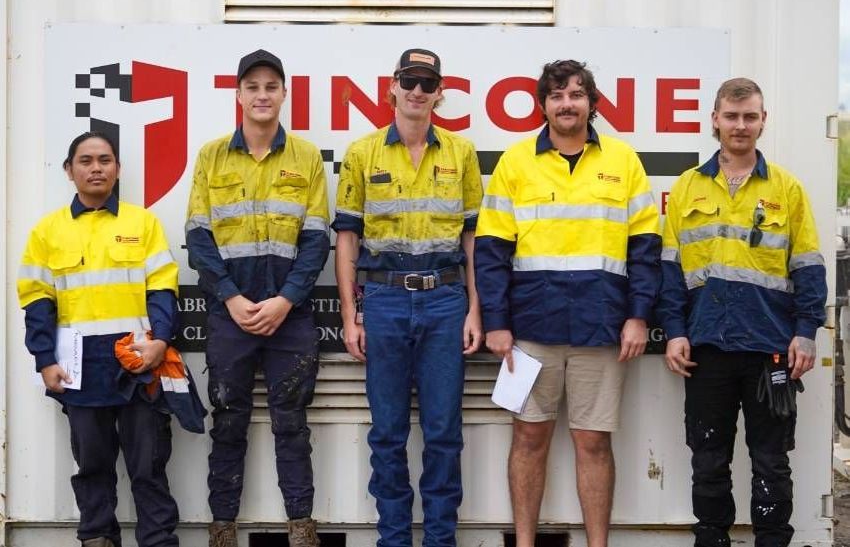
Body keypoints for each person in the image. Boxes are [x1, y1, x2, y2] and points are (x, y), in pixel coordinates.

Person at [474, 60, 661, 547]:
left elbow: (644, 251)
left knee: (594, 443)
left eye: (577, 94)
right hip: (531, 330)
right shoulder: (516, 163)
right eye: (557, 95)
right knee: (529, 440)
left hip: (602, 326)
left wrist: (638, 316)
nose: (567, 103)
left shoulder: (624, 162)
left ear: (592, 103)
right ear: (543, 105)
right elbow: (492, 252)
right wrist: (496, 323)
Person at [658, 77, 827, 547]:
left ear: (763, 121)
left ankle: (772, 540)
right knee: (708, 458)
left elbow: (809, 267)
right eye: (731, 116)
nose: (740, 125)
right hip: (706, 347)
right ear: (714, 120)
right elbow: (670, 271)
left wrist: (806, 332)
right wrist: (674, 331)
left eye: (750, 116)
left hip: (771, 349)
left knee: (772, 460)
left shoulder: (786, 189)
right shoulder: (688, 187)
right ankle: (712, 539)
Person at [332, 48, 483, 547]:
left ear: (440, 93)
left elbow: (471, 241)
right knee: (388, 434)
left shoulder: (460, 154)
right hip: (384, 301)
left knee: (443, 434)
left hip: (445, 302)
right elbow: (348, 238)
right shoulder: (362, 153)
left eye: (428, 82)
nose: (418, 91)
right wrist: (350, 317)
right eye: (409, 81)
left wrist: (475, 309)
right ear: (392, 88)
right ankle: (393, 539)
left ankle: (441, 540)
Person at [185, 49, 330, 547]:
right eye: (253, 87)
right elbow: (198, 238)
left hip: (290, 315)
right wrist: (230, 297)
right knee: (228, 420)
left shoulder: (306, 157)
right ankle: (222, 527)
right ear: (239, 95)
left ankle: (301, 526)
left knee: (293, 422)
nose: (262, 95)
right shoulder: (210, 156)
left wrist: (286, 300)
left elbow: (316, 239)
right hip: (231, 314)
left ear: (284, 94)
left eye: (272, 86)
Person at [17, 131, 181, 547]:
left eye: (105, 160)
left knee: (148, 466)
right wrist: (43, 360)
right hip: (79, 367)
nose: (96, 168)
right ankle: (96, 538)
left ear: (118, 169)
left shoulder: (142, 223)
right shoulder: (47, 232)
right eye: (86, 161)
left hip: (138, 363)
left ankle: (159, 541)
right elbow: (37, 301)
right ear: (69, 171)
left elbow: (162, 287)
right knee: (92, 465)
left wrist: (161, 341)